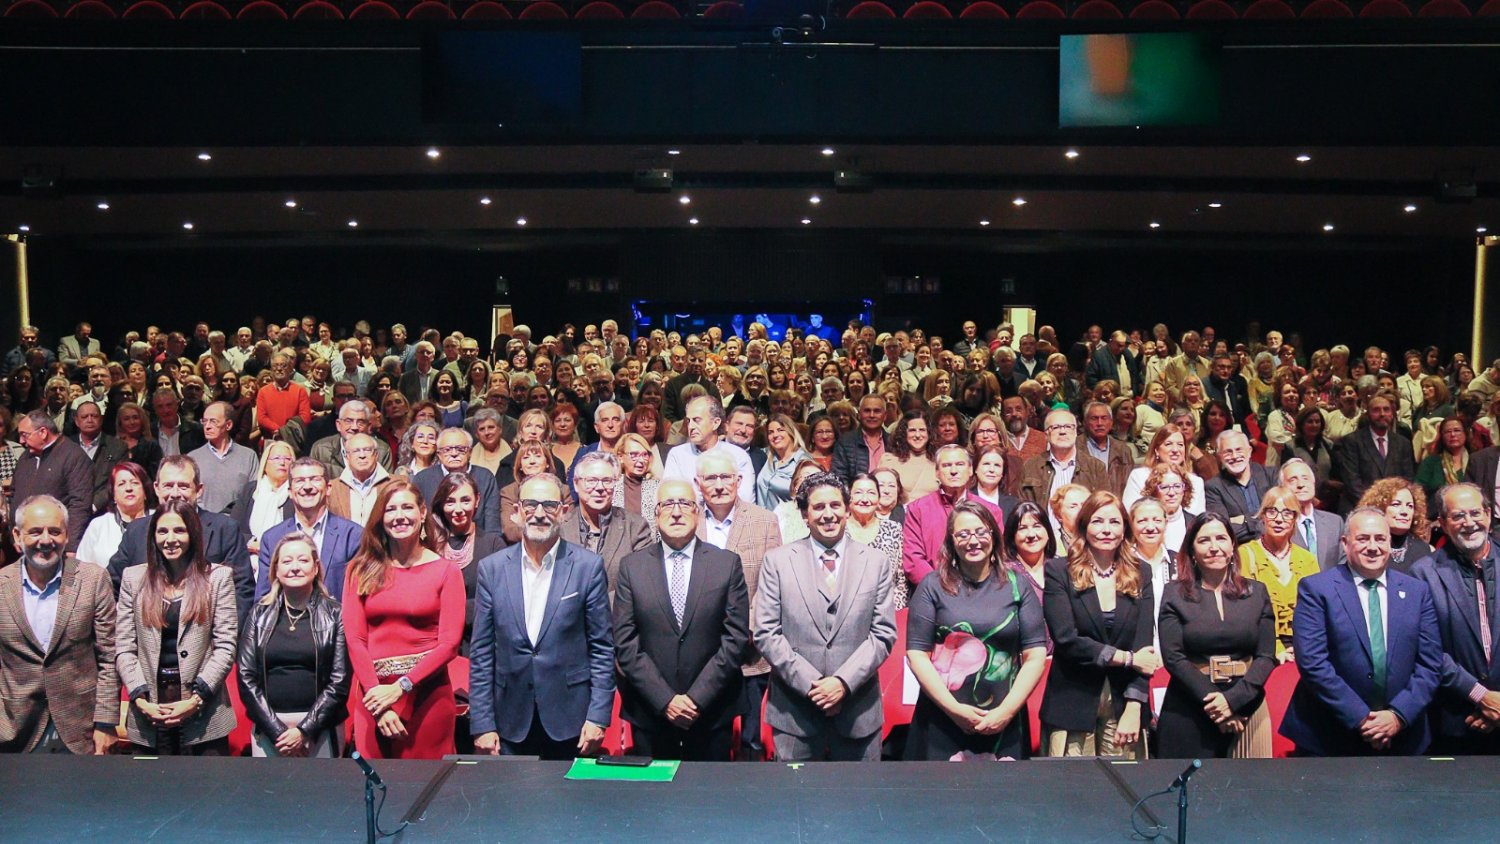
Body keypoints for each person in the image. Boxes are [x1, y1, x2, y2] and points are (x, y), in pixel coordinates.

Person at [470, 473, 615, 759]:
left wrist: (598, 716)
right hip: (509, 721)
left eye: (549, 505)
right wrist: (482, 724)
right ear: (517, 512)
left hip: (572, 721)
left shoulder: (588, 567)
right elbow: (482, 653)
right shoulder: (492, 569)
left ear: (563, 511)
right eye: (531, 504)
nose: (539, 513)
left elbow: (601, 649)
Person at [754, 472, 896, 761]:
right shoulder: (777, 562)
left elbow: (883, 634)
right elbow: (766, 633)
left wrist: (842, 683)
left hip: (858, 714)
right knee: (796, 803)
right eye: (818, 507)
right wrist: (814, 686)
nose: (828, 514)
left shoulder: (876, 562)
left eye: (835, 505)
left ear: (847, 509)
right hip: (795, 715)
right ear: (805, 515)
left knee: (862, 803)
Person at [1279, 507, 1443, 756]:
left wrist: (1398, 716)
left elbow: (1430, 664)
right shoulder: (1317, 589)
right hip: (1329, 736)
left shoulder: (1416, 592)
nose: (1373, 546)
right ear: (1345, 543)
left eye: (1380, 538)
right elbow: (1313, 662)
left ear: (1390, 543)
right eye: (1363, 538)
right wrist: (1362, 719)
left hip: (1404, 736)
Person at [612, 479, 750, 761]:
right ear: (656, 513)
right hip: (651, 713)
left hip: (712, 713)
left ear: (698, 511)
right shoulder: (632, 567)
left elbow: (734, 640)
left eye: (685, 504)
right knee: (653, 803)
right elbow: (625, 643)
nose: (676, 512)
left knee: (707, 802)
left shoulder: (726, 564)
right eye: (667, 505)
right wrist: (665, 700)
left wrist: (697, 698)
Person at [904, 501, 1047, 761]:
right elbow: (916, 654)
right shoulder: (932, 586)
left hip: (1005, 717)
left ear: (994, 535)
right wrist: (954, 710)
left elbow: (1035, 655)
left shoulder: (1018, 585)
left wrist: (1005, 712)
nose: (973, 541)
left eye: (981, 532)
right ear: (951, 540)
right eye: (963, 534)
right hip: (942, 717)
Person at [342, 479, 465, 759]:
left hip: (427, 698)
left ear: (422, 513)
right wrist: (379, 701)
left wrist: (400, 688)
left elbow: (449, 644)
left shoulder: (446, 571)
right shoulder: (358, 569)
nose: (399, 516)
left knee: (428, 790)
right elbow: (355, 639)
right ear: (380, 518)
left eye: (407, 507)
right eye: (391, 509)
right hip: (373, 698)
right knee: (377, 789)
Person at [1041, 491, 1160, 757]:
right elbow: (1066, 638)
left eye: (1114, 522)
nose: (1106, 530)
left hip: (1123, 702)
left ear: (1125, 529)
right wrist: (1127, 659)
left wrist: (1134, 706)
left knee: (1124, 788)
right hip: (1072, 700)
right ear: (1084, 526)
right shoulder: (1059, 571)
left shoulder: (1142, 573)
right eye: (1097, 521)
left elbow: (1144, 647)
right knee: (1074, 792)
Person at [115, 501, 239, 755]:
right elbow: (124, 648)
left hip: (204, 711)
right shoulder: (133, 578)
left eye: (179, 531)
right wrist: (140, 698)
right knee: (151, 791)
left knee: (206, 792)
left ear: (192, 534)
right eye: (162, 531)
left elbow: (226, 646)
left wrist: (196, 700)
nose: (170, 539)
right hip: (148, 709)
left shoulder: (217, 578)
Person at [0, 495, 119, 754]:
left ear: (66, 535)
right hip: (14, 733)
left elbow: (110, 657)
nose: (46, 540)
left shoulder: (93, 580)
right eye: (35, 532)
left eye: (54, 531)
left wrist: (107, 723)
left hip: (81, 730)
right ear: (17, 537)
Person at [1158, 511, 1277, 758]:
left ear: (1233, 545)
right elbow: (1174, 658)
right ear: (1191, 550)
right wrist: (1216, 704)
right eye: (1204, 540)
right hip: (1189, 705)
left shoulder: (1258, 592)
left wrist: (1233, 701)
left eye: (1221, 538)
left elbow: (1266, 656)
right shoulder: (1174, 594)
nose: (1214, 547)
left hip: (1248, 706)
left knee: (1250, 792)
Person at [235, 531, 350, 757]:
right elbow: (246, 676)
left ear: (316, 567)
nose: (295, 567)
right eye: (286, 561)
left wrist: (304, 731)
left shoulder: (335, 614)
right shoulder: (258, 614)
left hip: (321, 728)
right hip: (270, 730)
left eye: (303, 560)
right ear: (276, 570)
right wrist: (277, 731)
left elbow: (340, 680)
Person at [107, 455, 255, 624]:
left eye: (183, 486)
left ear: (199, 490)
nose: (175, 494)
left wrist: (223, 642)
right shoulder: (136, 531)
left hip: (206, 638)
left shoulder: (225, 529)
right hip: (149, 638)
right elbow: (110, 586)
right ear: (156, 488)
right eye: (168, 486)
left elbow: (242, 592)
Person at [1409, 483, 1500, 754]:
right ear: (1443, 524)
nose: (1469, 522)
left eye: (1475, 513)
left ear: (1488, 514)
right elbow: (1427, 651)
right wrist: (1481, 696)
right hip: (1456, 722)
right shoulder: (1423, 574)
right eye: (1458, 516)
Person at [253, 458, 362, 602]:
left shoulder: (353, 535)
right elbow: (264, 597)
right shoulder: (272, 538)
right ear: (290, 492)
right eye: (299, 481)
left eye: (315, 479)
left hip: (338, 622)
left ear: (329, 488)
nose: (307, 487)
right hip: (287, 622)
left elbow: (360, 595)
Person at [902, 444, 1006, 588]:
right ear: (937, 472)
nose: (953, 471)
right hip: (933, 593)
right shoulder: (918, 509)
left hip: (981, 592)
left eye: (960, 464)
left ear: (970, 470)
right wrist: (940, 590)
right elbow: (913, 560)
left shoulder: (991, 510)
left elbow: (997, 556)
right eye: (946, 465)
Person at [560, 451, 653, 603]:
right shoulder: (560, 529)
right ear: (576, 484)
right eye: (591, 480)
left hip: (617, 618)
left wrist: (596, 606)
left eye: (607, 480)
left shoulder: (636, 527)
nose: (600, 487)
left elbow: (642, 583)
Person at [13, 411, 95, 553]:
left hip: (55, 544)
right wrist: (15, 536)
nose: (21, 441)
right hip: (22, 543)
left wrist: (70, 546)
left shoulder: (73, 456)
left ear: (43, 432)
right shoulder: (25, 458)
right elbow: (14, 494)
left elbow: (80, 505)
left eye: (24, 435)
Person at [662, 396, 756, 503]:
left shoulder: (738, 456)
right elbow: (671, 497)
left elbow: (744, 500)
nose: (691, 426)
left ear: (715, 423)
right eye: (688, 421)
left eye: (697, 420)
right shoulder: (677, 455)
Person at [413, 427, 503, 537]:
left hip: (478, 544)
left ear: (470, 452)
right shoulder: (423, 479)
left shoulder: (485, 477)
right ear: (439, 454)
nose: (454, 454)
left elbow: (492, 525)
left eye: (460, 449)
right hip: (435, 546)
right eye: (447, 450)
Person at [1338, 394, 1417, 513]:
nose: (1382, 414)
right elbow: (1352, 481)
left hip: (1394, 509)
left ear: (1392, 413)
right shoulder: (1351, 441)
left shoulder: (1403, 443)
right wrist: (1375, 507)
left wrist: (1392, 506)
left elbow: (1407, 479)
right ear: (1368, 414)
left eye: (1386, 410)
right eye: (1376, 410)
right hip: (1359, 507)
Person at [1204, 430, 1278, 543]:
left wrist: (1244, 520)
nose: (1234, 456)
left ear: (1249, 451)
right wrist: (1263, 519)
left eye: (1239, 450)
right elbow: (1222, 531)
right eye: (1228, 452)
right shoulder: (1213, 487)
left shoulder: (1271, 476)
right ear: (1219, 456)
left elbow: (1280, 518)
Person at [76, 461, 155, 568]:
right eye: (121, 484)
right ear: (113, 495)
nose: (129, 488)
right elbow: (80, 565)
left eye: (135, 483)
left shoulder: (158, 519)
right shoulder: (98, 525)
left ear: (145, 491)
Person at [230, 440, 294, 558]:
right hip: (250, 557)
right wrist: (252, 543)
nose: (282, 462)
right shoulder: (251, 490)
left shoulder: (296, 494)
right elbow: (233, 526)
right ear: (265, 465)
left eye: (287, 459)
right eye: (277, 458)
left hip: (284, 556)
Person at [1279, 458, 1345, 572]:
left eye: (1305, 478)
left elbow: (1344, 562)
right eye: (1292, 480)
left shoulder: (1335, 522)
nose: (1300, 485)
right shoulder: (1276, 525)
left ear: (1313, 483)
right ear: (1282, 488)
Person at [1358, 477, 1432, 573]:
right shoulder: (1368, 548)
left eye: (1410, 506)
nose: (1404, 512)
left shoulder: (1422, 549)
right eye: (1396, 505)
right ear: (1379, 508)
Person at [68, 402, 128, 515]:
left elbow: (118, 481)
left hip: (105, 510)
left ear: (101, 419)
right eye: (84, 417)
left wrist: (95, 505)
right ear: (76, 421)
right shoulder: (66, 445)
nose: (90, 420)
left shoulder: (117, 447)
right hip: (71, 508)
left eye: (94, 416)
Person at [309, 399, 393, 476]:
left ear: (369, 427)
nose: (354, 427)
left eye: (360, 422)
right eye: (349, 421)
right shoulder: (320, 449)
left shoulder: (382, 450)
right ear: (338, 425)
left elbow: (386, 487)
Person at [328, 432, 394, 529]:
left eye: (367, 450)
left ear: (376, 455)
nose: (362, 455)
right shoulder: (332, 488)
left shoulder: (395, 484)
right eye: (356, 451)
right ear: (347, 457)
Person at [876, 410, 938, 506]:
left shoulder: (940, 461)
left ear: (929, 433)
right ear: (904, 433)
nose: (917, 435)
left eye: (922, 430)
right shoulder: (889, 461)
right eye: (912, 430)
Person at [829, 394, 892, 486]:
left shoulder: (894, 442)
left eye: (877, 411)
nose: (872, 415)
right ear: (859, 414)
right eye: (867, 411)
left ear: (885, 415)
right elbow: (839, 478)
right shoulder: (845, 442)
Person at [756, 413, 811, 511]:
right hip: (763, 521)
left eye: (780, 430)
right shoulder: (767, 456)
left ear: (791, 432)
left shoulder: (803, 462)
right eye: (770, 432)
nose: (775, 435)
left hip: (788, 523)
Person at [1415, 416, 1472, 511]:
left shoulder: (1477, 460)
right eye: (1447, 432)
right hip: (1437, 516)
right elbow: (1418, 491)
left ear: (1465, 433)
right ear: (1441, 436)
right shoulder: (1431, 462)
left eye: (1457, 430)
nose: (1453, 434)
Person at [613, 432, 661, 522]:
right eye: (634, 455)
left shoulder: (657, 487)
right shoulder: (611, 486)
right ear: (620, 457)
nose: (641, 460)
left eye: (645, 455)